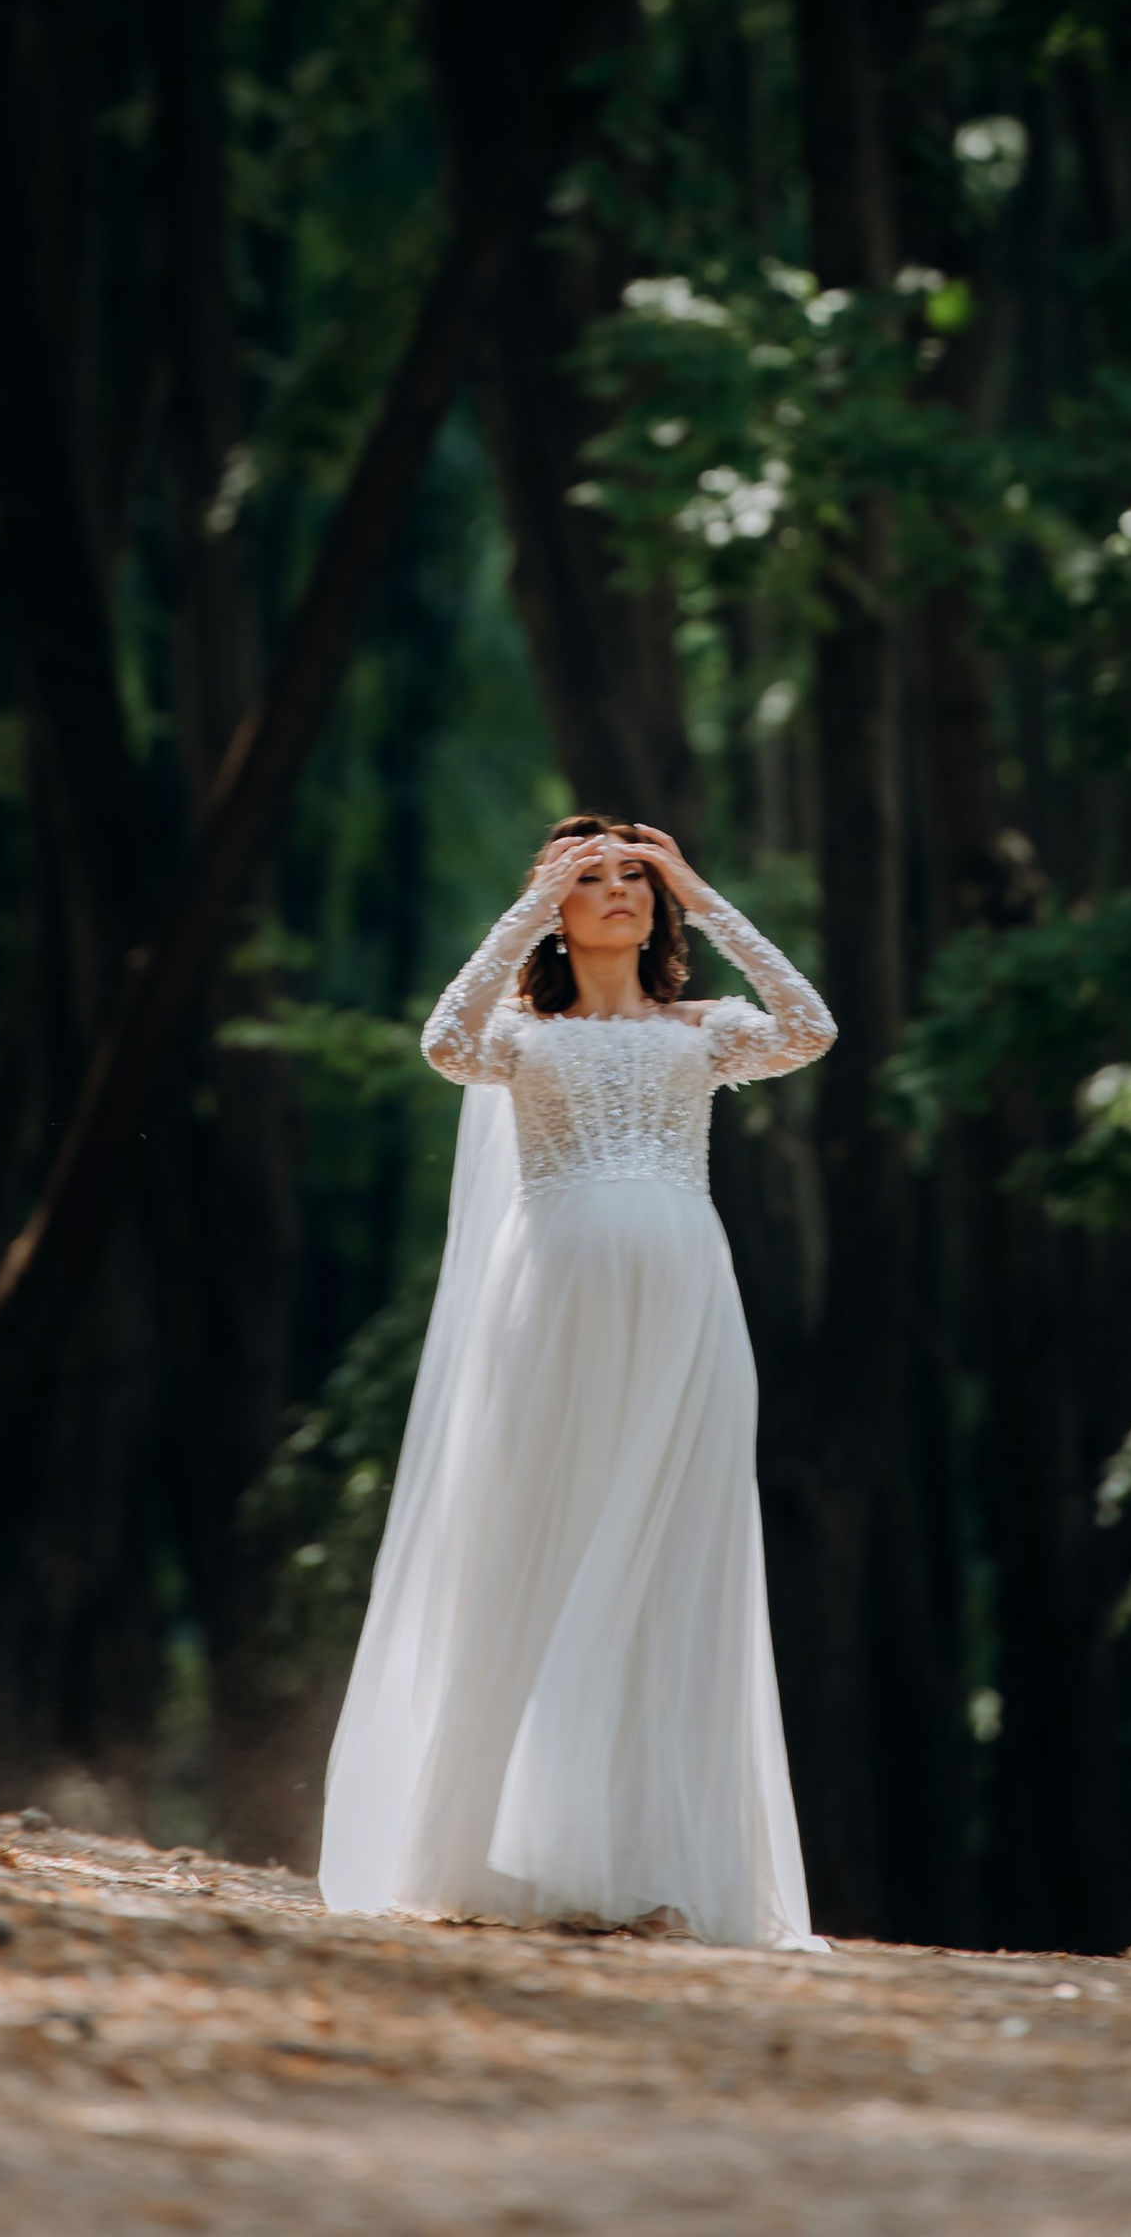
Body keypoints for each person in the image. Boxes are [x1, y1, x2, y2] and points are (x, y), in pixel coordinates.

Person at [317, 815, 835, 1954]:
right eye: (589, 878)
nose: (617, 893)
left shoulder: (705, 1030)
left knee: (669, 1558)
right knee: (536, 1543)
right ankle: (503, 1850)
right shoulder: (518, 1035)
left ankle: (652, 1862)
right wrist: (521, 910)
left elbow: (813, 1025)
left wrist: (702, 891)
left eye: (631, 879)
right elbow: (444, 1041)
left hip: (687, 1318)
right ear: (554, 908)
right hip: (547, 1314)